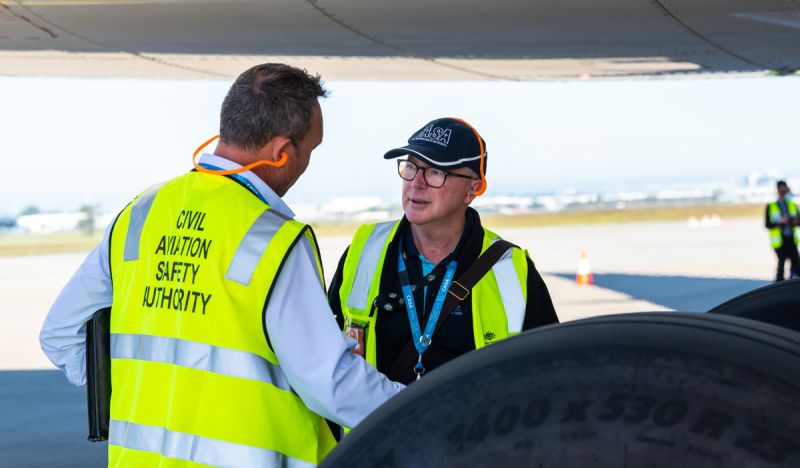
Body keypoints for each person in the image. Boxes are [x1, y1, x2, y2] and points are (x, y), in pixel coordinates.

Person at [39, 63, 403, 467]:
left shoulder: (142, 213)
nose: (306, 166)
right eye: (310, 151)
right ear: (281, 151)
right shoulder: (272, 237)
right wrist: (423, 408)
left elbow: (60, 335)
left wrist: (136, 390)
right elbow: (331, 384)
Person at [327, 117, 559, 386]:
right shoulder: (365, 249)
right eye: (411, 167)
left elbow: (548, 374)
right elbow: (327, 358)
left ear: (472, 189)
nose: (417, 183)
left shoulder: (510, 268)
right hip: (381, 426)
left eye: (436, 172)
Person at [765, 180, 800, 281]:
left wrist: (793, 221)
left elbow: (798, 222)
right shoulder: (771, 206)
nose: (783, 192)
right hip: (780, 241)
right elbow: (767, 224)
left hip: (791, 240)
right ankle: (779, 287)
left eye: (785, 190)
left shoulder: (792, 205)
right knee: (781, 265)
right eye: (781, 190)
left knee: (797, 264)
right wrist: (779, 222)